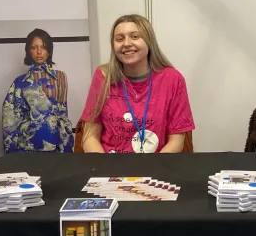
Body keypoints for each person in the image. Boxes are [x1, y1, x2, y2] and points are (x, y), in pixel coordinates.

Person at [81, 14, 194, 153]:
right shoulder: (103, 76)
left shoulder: (173, 79)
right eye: (119, 39)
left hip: (156, 166)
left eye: (135, 36)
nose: (126, 43)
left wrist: (151, 171)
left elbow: (176, 141)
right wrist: (106, 170)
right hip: (110, 168)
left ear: (149, 41)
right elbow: (89, 136)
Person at [2, 29, 74, 153]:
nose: (39, 52)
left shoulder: (61, 77)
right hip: (29, 146)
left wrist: (65, 143)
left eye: (43, 47)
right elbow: (10, 121)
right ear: (28, 51)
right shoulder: (20, 82)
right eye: (34, 47)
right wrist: (13, 155)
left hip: (58, 143)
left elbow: (63, 114)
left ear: (49, 50)